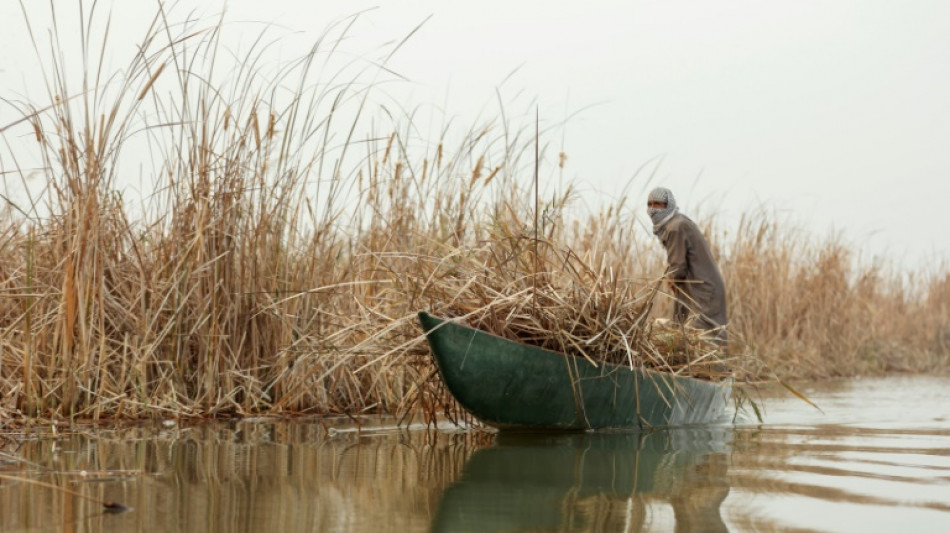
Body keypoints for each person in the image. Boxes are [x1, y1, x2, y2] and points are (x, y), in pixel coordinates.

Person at [647, 187, 728, 341]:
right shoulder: (678, 223)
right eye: (650, 204)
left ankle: (716, 366)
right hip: (701, 289)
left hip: (704, 291)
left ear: (668, 205)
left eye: (657, 204)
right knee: (692, 335)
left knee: (703, 339)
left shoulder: (675, 228)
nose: (652, 209)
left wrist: (670, 279)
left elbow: (678, 267)